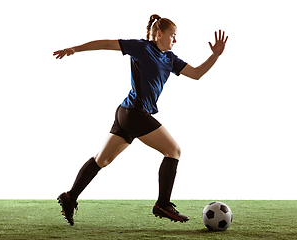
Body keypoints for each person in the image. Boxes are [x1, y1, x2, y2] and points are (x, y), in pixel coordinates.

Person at [53, 14, 228, 226]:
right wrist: (75, 48)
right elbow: (108, 44)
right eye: (173, 35)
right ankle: (163, 204)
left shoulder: (170, 58)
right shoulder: (143, 48)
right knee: (173, 151)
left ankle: (70, 197)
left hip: (127, 113)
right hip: (135, 113)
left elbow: (197, 73)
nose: (175, 40)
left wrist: (215, 55)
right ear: (159, 34)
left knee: (102, 160)